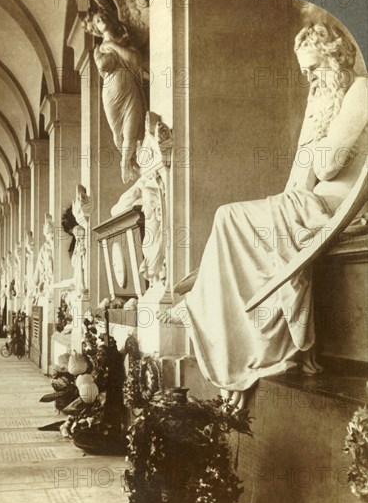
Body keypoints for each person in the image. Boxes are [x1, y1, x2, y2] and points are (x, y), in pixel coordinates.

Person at [157, 23, 368, 409]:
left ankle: (204, 312)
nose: (310, 79)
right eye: (304, 72)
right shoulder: (327, 99)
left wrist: (317, 131)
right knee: (234, 219)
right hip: (305, 205)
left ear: (336, 58)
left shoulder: (361, 91)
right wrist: (279, 204)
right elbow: (298, 180)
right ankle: (219, 322)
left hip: (332, 208)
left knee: (227, 216)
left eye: (314, 68)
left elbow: (329, 165)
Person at [83, 8, 146, 184]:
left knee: (131, 131)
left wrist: (114, 46)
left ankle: (125, 164)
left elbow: (136, 60)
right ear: (95, 29)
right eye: (97, 21)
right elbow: (103, 66)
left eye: (103, 16)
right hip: (111, 94)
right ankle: (132, 162)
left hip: (130, 90)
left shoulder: (125, 40)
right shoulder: (98, 49)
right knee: (118, 136)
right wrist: (111, 47)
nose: (101, 20)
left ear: (110, 19)